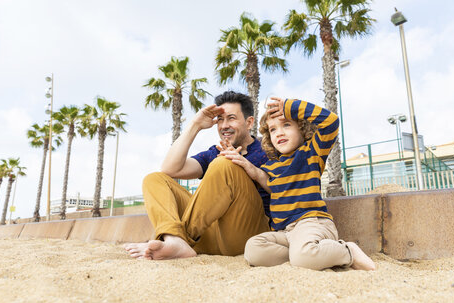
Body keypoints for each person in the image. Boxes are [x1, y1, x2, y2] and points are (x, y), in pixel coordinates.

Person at [219, 97, 375, 271]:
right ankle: (303, 255)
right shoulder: (272, 166)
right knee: (253, 249)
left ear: (302, 129)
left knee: (303, 256)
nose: (279, 132)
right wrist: (245, 164)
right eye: (272, 129)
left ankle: (347, 251)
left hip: (311, 223)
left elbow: (331, 122)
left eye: (286, 125)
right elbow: (269, 183)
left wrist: (290, 106)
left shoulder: (311, 153)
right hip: (285, 232)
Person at [124, 91, 270, 260]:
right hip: (208, 236)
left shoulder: (267, 149)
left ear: (249, 122)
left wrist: (250, 169)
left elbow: (287, 188)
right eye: (220, 120)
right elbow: (170, 169)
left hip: (246, 233)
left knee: (224, 163)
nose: (224, 126)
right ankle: (175, 240)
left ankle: (179, 237)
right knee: (154, 179)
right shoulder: (213, 152)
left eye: (231, 118)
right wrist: (196, 124)